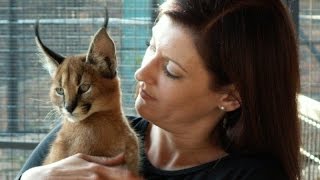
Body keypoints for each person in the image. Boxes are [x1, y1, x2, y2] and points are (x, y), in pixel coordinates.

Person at [16, 0, 301, 179]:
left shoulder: (252, 175)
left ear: (230, 96)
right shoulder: (79, 129)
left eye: (170, 70)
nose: (141, 72)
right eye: (150, 47)